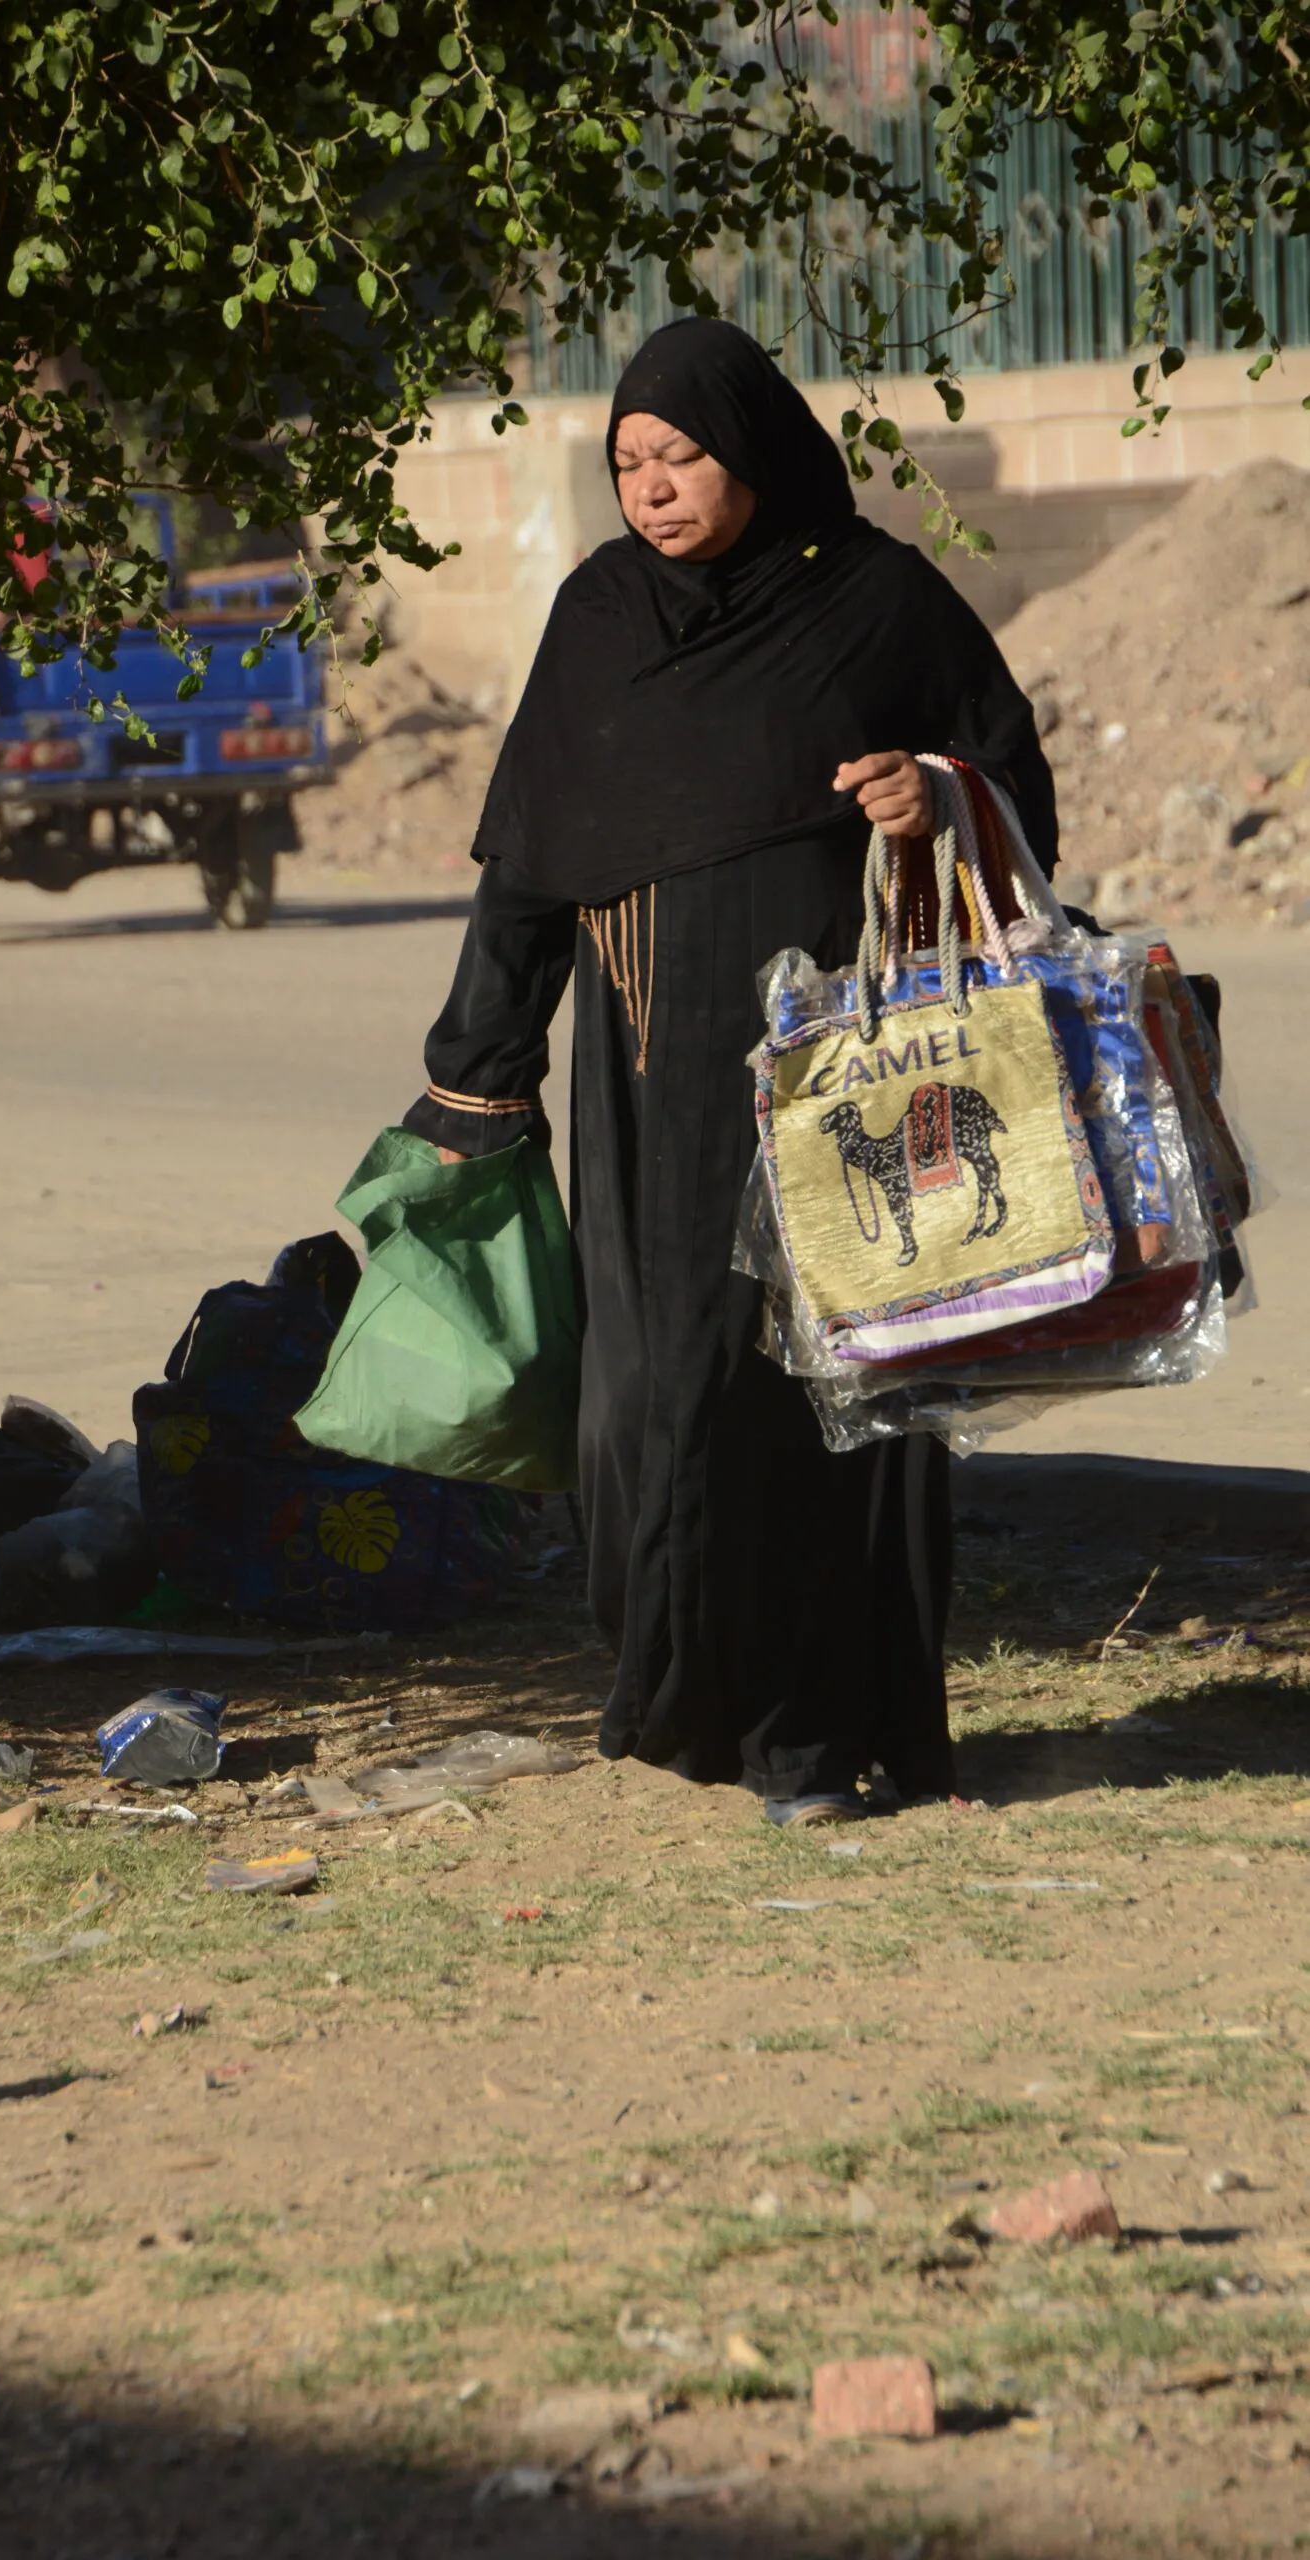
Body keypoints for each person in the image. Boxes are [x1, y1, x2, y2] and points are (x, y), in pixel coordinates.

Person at [400, 318, 1058, 1826]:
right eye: (627, 462)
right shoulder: (598, 618)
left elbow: (1010, 782)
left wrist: (930, 798)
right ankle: (688, 1696)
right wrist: (475, 1072)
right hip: (647, 1092)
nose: (651, 487)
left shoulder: (881, 600)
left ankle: (818, 1739)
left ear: (750, 450)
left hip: (847, 1090)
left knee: (834, 1413)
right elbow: (528, 864)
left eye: (679, 455)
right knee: (658, 1408)